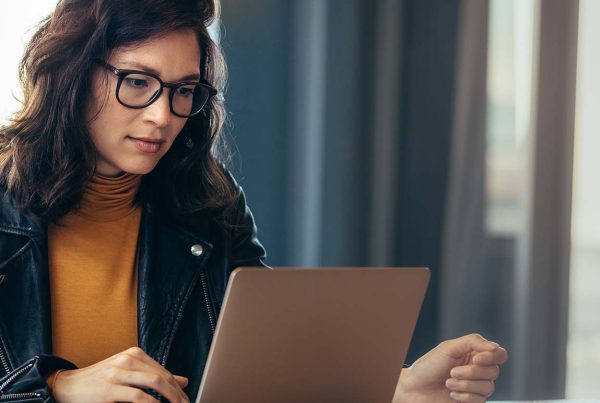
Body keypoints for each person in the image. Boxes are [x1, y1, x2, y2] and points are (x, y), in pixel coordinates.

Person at [0, 0, 507, 402]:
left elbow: (266, 367)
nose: (163, 116)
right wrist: (56, 390)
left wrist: (398, 388)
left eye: (184, 90)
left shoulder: (207, 204)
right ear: (73, 72)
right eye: (137, 82)